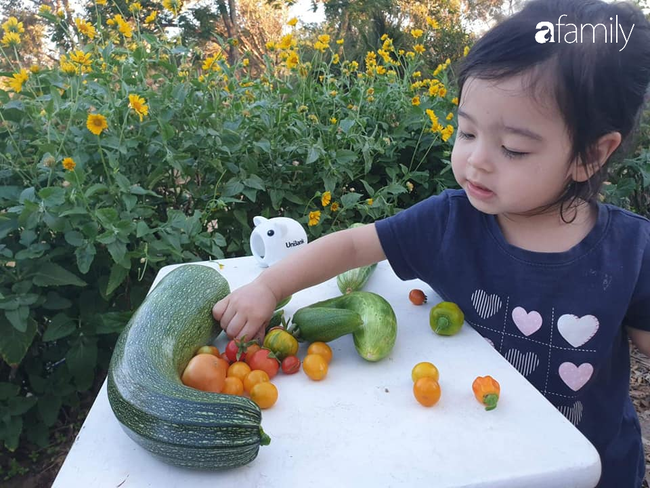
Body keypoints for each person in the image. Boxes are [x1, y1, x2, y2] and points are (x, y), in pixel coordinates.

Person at [213, 0, 650, 485]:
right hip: (470, 459)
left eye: (513, 149)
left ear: (589, 156)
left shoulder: (632, 252)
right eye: (466, 131)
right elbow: (356, 246)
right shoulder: (448, 223)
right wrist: (269, 287)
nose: (476, 161)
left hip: (591, 470)